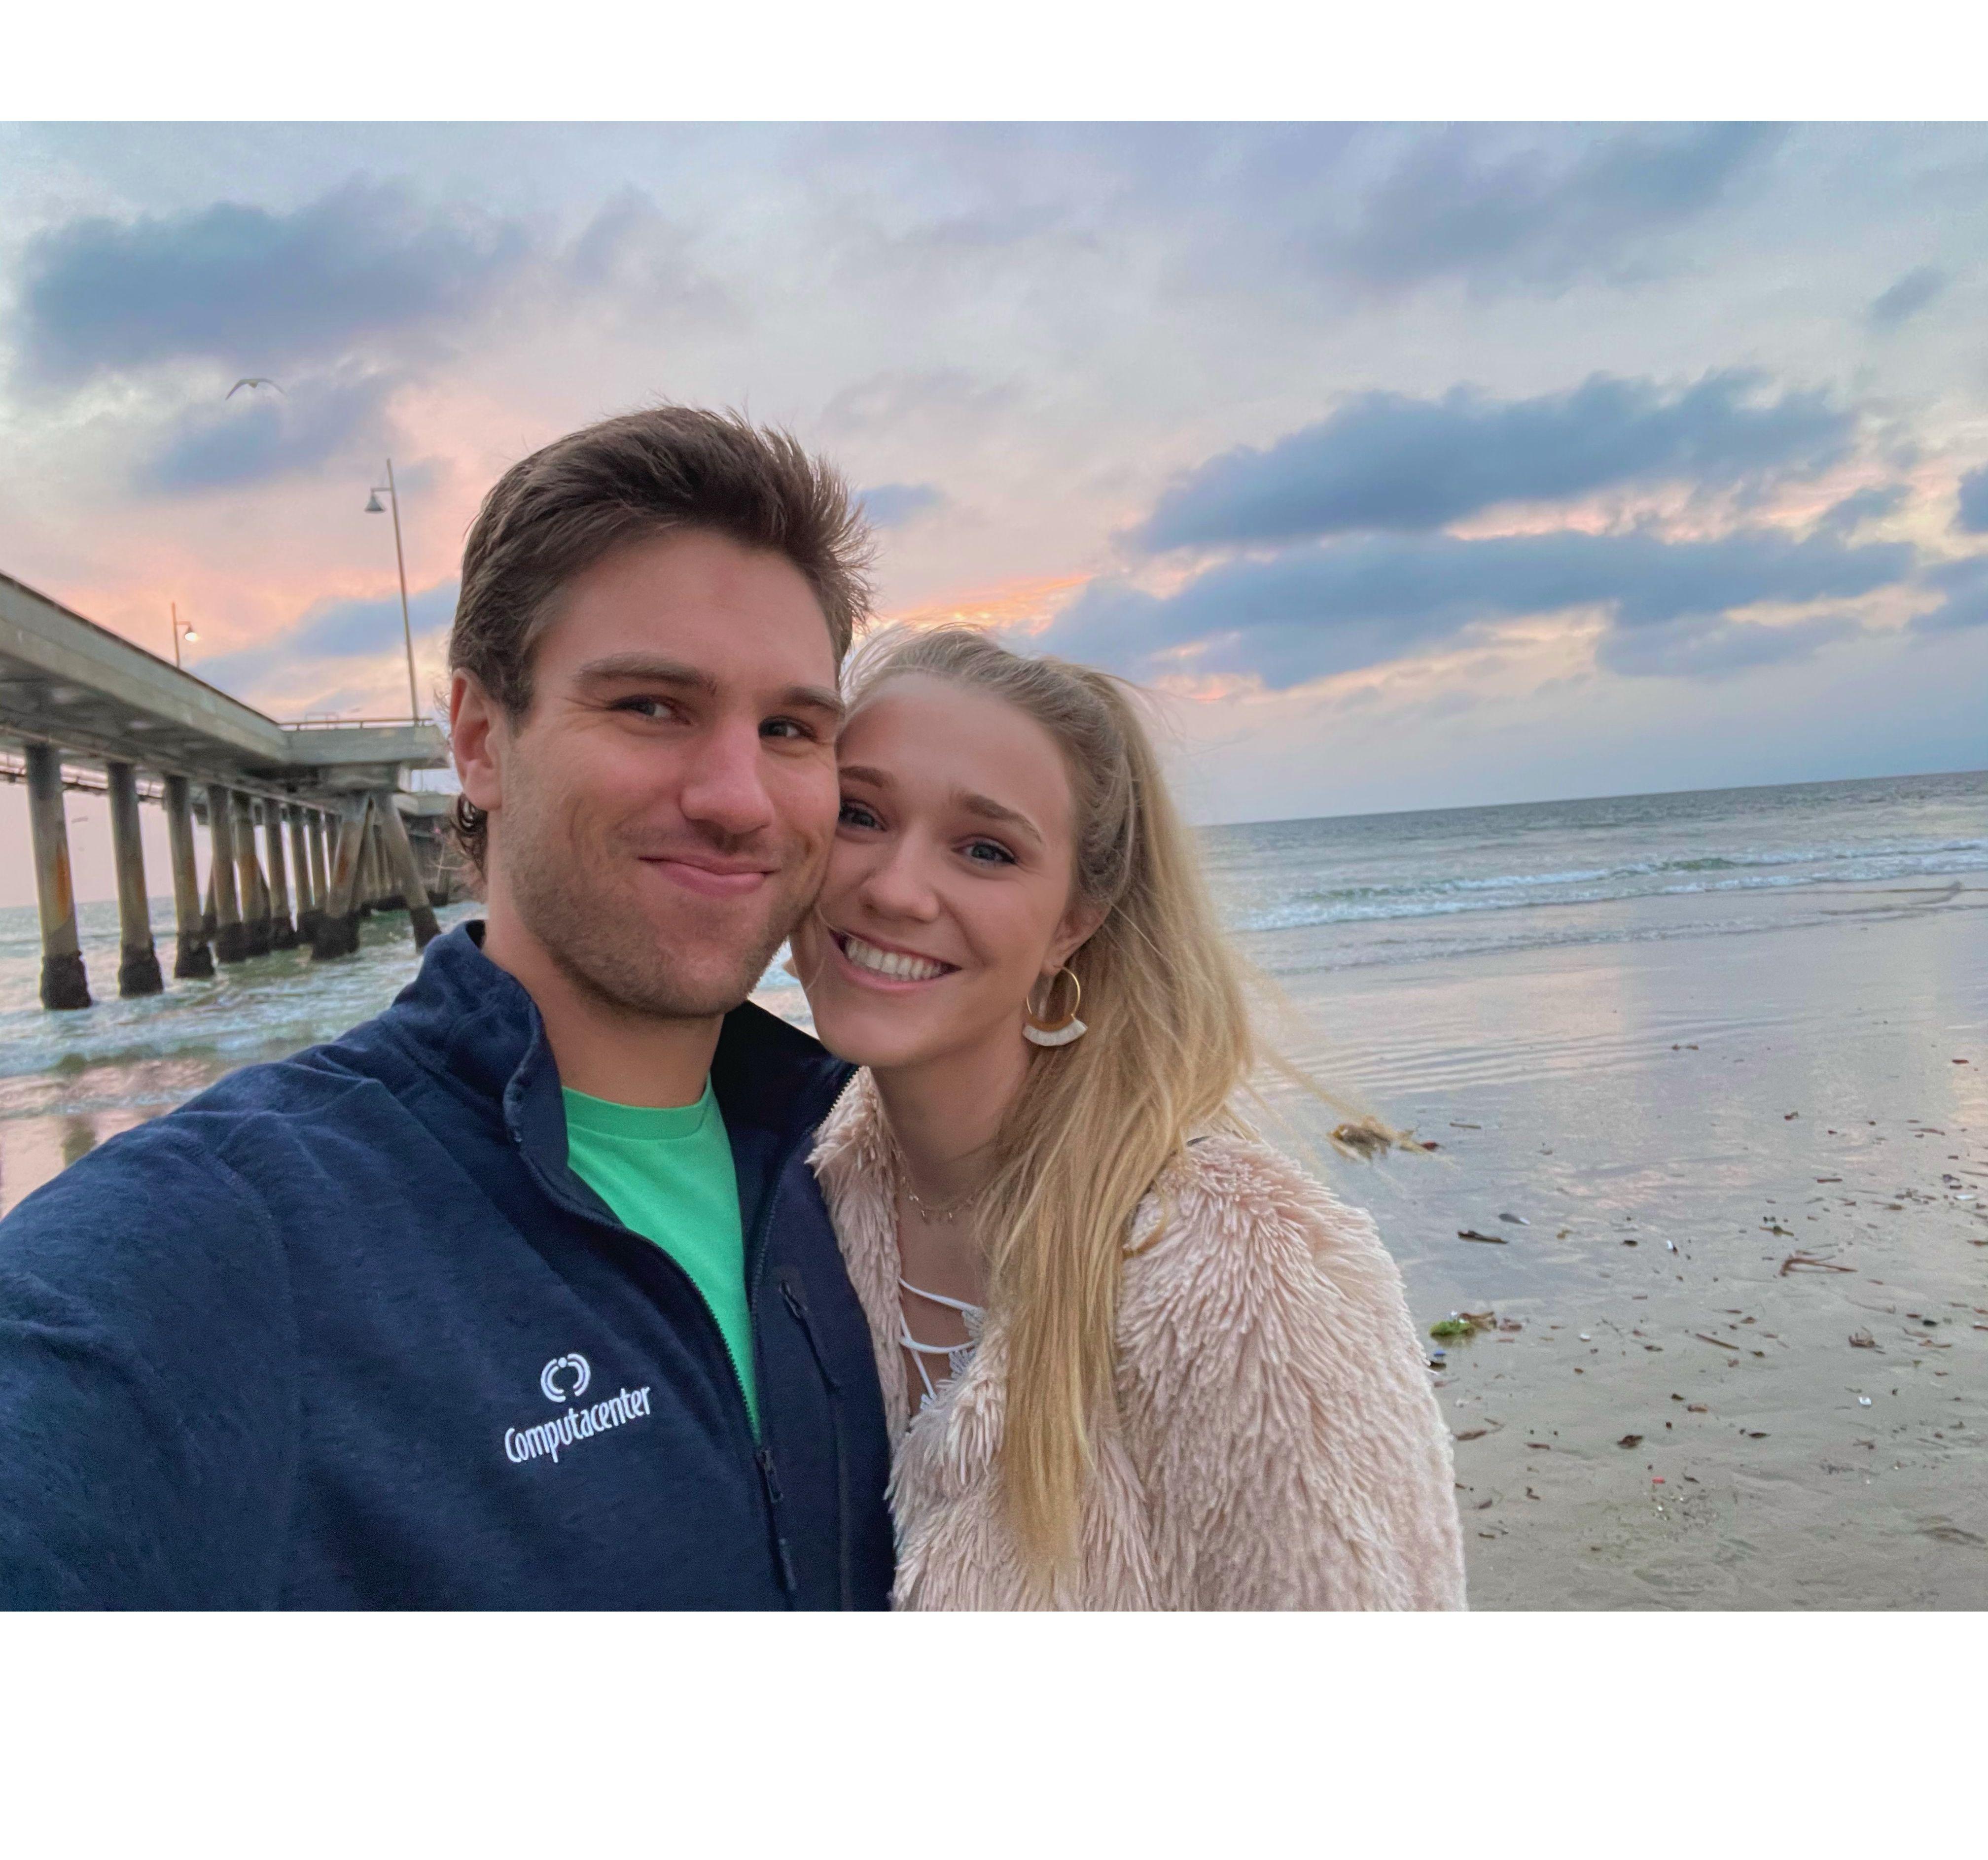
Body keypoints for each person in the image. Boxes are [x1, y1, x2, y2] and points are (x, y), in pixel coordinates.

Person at [0, 407, 895, 1610]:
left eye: (789, 729)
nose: (739, 798)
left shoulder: (874, 1161)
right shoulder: (234, 1237)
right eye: (650, 706)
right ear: (479, 739)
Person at [791, 626, 1466, 1609]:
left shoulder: (1243, 1270)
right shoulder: (795, 1193)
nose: (894, 888)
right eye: (859, 814)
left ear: (1073, 923)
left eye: (985, 850)